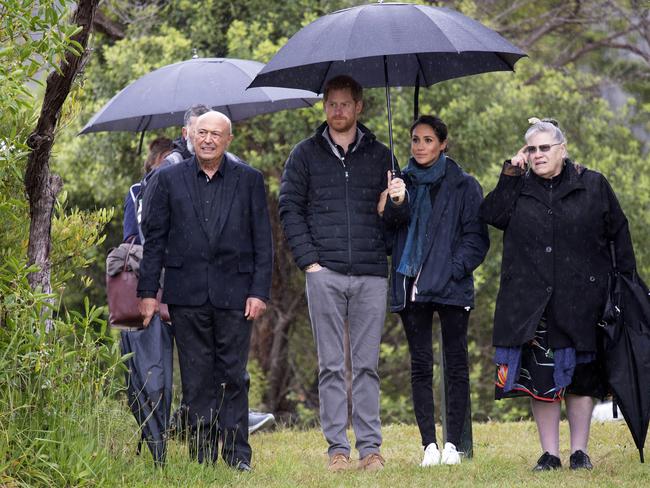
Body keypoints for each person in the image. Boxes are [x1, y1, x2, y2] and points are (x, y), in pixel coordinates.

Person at [480, 118, 636, 471]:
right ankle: (549, 453)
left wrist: (626, 286)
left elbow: (619, 235)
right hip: (532, 303)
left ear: (562, 150)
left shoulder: (592, 184)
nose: (537, 155)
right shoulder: (517, 186)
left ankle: (579, 452)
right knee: (541, 381)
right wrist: (510, 174)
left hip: (584, 299)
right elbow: (491, 214)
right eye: (531, 149)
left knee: (581, 380)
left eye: (544, 148)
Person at [279, 75, 404, 472]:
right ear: (324, 107)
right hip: (325, 272)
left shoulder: (384, 157)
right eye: (331, 104)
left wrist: (396, 202)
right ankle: (337, 449)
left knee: (367, 366)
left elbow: (398, 222)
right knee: (331, 365)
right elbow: (289, 209)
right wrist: (309, 262)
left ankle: (370, 449)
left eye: (345, 104)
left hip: (371, 273)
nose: (338, 111)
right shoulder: (304, 155)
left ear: (359, 107)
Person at [137, 111, 273, 471]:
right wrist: (148, 292)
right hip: (186, 294)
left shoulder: (249, 180)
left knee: (233, 376)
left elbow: (264, 241)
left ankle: (236, 456)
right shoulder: (167, 179)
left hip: (236, 293)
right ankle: (201, 456)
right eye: (202, 133)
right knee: (196, 379)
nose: (208, 139)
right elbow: (154, 242)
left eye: (216, 134)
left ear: (228, 140)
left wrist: (259, 292)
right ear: (190, 136)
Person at [379, 115, 489, 466]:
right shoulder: (400, 182)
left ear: (443, 143)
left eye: (428, 140)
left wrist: (453, 270)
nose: (420, 146)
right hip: (411, 285)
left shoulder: (465, 185)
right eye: (415, 139)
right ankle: (429, 445)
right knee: (421, 365)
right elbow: (388, 239)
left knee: (456, 365)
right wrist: (396, 202)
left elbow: (476, 239)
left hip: (452, 287)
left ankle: (453, 444)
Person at [123, 137, 173, 244]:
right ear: (154, 161)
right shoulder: (137, 191)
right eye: (167, 157)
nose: (171, 163)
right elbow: (130, 237)